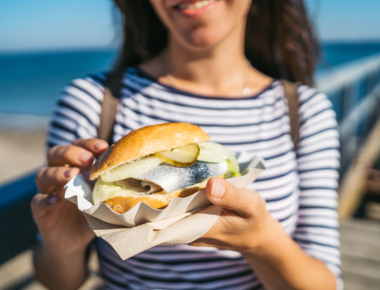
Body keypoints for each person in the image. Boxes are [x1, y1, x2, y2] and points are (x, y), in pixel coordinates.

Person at [31, 0, 342, 289]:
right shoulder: (92, 100)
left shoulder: (304, 111)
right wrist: (61, 248)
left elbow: (327, 282)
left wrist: (261, 243)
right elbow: (57, 283)